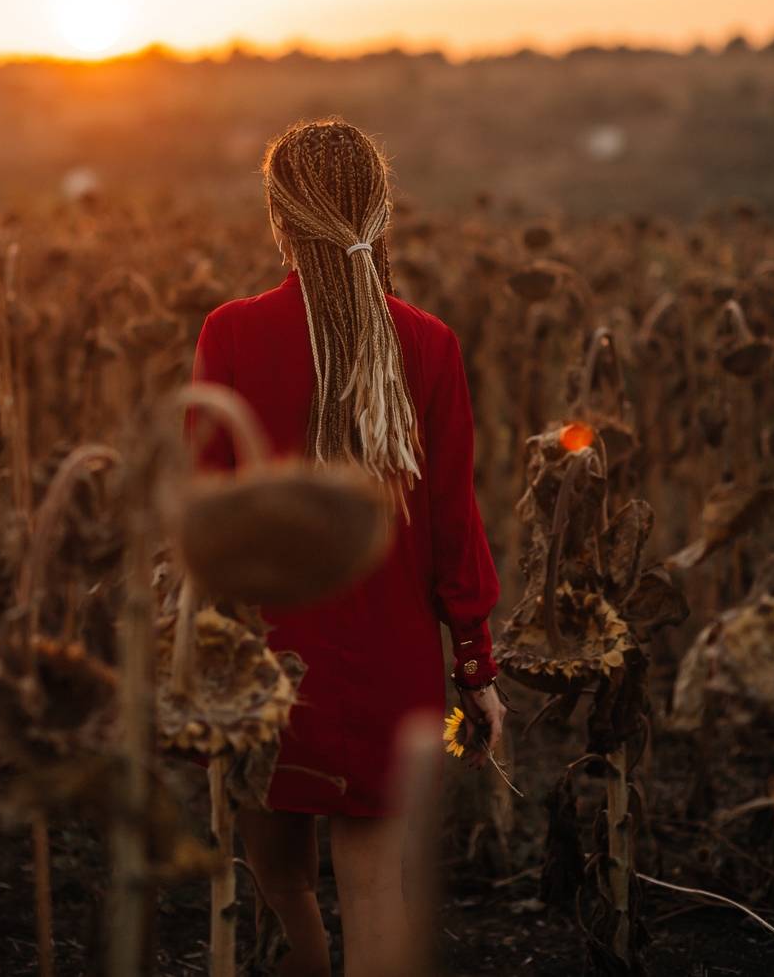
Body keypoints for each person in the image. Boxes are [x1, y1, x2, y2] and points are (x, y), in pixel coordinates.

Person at [188, 118, 505, 977]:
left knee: (276, 874)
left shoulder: (231, 332)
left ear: (278, 220)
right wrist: (474, 668)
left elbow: (201, 512)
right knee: (375, 890)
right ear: (381, 210)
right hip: (391, 661)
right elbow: (451, 524)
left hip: (264, 661)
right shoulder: (428, 342)